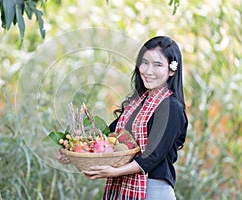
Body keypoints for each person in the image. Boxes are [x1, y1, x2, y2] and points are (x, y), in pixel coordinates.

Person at [56, 36, 188, 200]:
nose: (148, 71)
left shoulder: (171, 108)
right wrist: (72, 152)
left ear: (171, 70)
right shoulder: (137, 104)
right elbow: (108, 136)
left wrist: (115, 171)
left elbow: (153, 156)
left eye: (158, 65)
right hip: (125, 188)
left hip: (154, 190)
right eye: (145, 62)